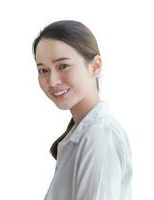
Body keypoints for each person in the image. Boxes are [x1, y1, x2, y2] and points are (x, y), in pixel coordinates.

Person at [32, 20, 133, 200]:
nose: (52, 80)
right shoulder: (82, 134)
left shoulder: (100, 136)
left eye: (63, 66)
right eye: (43, 70)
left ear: (95, 66)